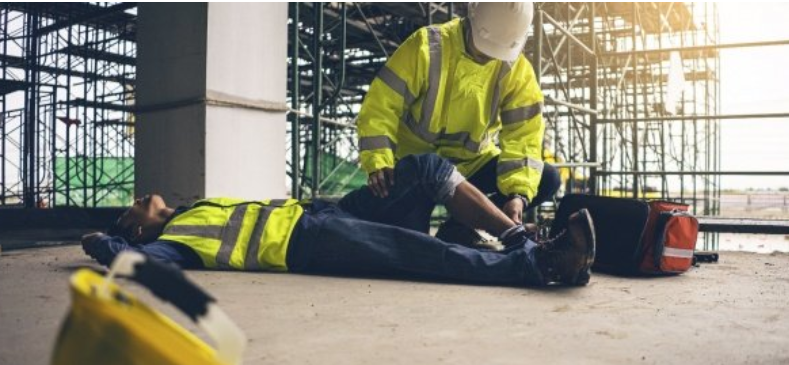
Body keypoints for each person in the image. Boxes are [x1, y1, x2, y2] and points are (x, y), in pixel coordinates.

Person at [82, 154, 595, 287]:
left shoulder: (193, 209)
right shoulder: (173, 242)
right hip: (307, 243)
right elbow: (134, 261)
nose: (140, 196)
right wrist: (103, 241)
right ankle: (540, 265)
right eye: (130, 210)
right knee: (418, 254)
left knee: (421, 171)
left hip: (319, 213)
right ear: (139, 227)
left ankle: (514, 236)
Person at [357, 3, 559, 247]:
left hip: (473, 166)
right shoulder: (427, 47)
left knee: (548, 178)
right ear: (471, 19)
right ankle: (447, 223)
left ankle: (461, 227)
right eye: (485, 50)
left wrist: (517, 195)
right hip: (419, 169)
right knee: (413, 243)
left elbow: (524, 136)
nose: (490, 57)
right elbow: (381, 105)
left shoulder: (517, 71)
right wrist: (379, 160)